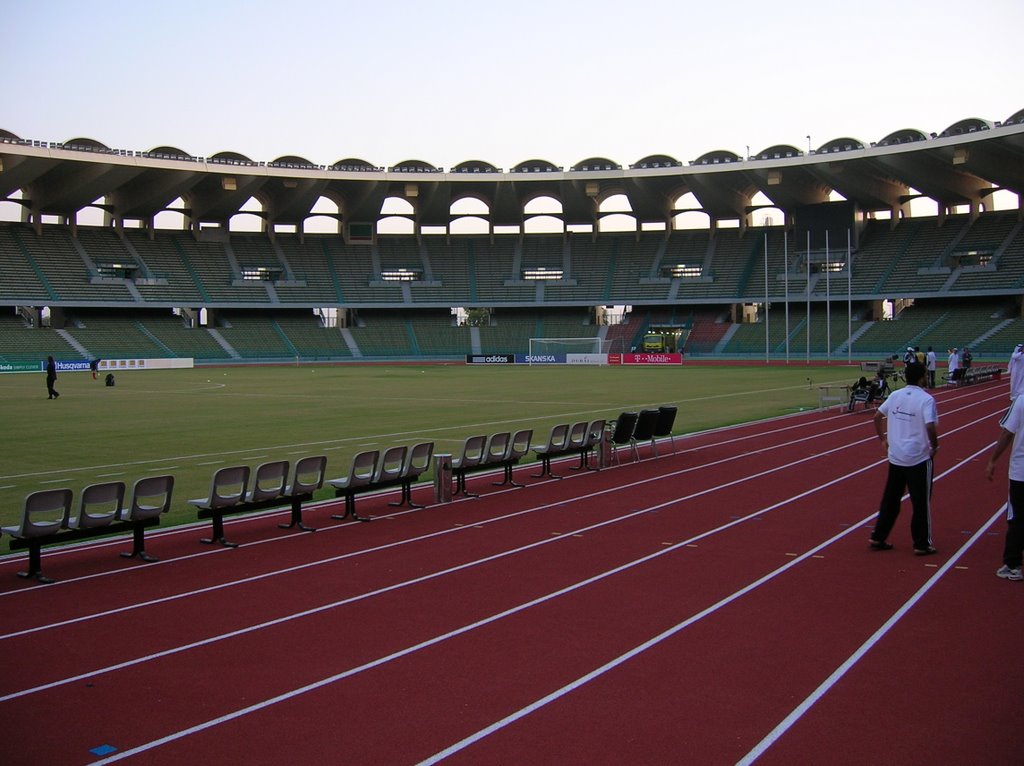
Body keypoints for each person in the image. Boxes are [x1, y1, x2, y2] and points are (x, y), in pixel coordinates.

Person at [869, 362, 939, 555]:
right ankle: (921, 543)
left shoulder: (895, 395)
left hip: (896, 456)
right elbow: (931, 426)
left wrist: (882, 440)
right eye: (925, 374)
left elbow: (876, 417)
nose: (927, 376)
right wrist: (935, 445)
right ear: (920, 377)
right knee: (920, 502)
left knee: (890, 499)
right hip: (918, 457)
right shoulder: (926, 399)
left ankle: (878, 535)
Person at [983, 396, 1024, 580]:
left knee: (1016, 517)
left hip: (1021, 471)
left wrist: (993, 460)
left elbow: (1008, 432)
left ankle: (1013, 564)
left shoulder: (1021, 401)